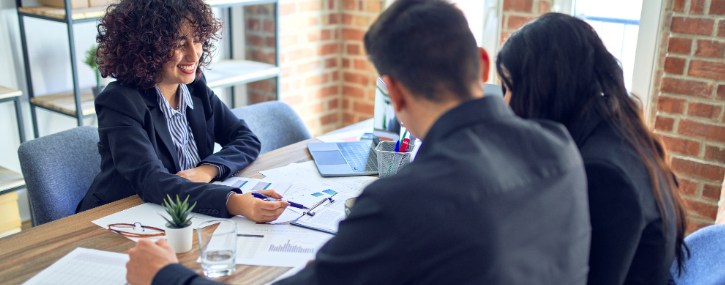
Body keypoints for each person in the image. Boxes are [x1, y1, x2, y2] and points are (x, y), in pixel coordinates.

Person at [126, 0, 592, 284]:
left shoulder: (404, 200)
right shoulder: (560, 149)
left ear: (393, 91)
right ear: (484, 64)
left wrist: (166, 276)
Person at [495, 13, 689, 285]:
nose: (504, 104)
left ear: (544, 88)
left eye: (509, 87)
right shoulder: (618, 137)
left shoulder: (603, 173)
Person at [76, 0, 289, 222]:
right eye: (179, 43)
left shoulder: (195, 87)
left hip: (182, 211)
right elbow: (152, 182)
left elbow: (245, 138)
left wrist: (207, 170)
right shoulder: (119, 102)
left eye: (197, 40)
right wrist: (232, 201)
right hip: (121, 216)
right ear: (147, 48)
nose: (194, 55)